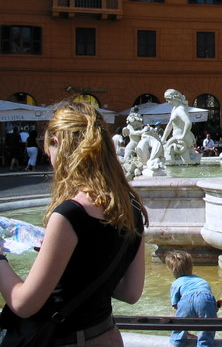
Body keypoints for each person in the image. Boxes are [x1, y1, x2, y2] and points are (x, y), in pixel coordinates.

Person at [0, 101, 148, 345]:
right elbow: (131, 292)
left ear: (57, 142)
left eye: (49, 152)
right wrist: (70, 261)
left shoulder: (70, 214)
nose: (50, 160)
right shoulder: (131, 207)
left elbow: (23, 304)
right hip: (106, 336)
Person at [165, 250, 219, 347]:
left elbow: (176, 310)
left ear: (171, 271)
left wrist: (183, 329)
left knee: (177, 335)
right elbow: (209, 306)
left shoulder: (176, 283)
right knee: (207, 330)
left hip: (186, 300)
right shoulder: (201, 280)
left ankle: (176, 342)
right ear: (191, 267)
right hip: (206, 298)